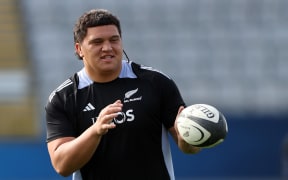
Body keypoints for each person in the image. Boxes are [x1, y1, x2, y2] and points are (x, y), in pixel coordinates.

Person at [45, 9, 201, 180]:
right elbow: (62, 166)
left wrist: (190, 137)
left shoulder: (156, 83)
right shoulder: (64, 98)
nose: (107, 47)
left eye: (114, 40)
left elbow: (189, 148)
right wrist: (95, 131)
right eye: (97, 42)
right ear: (79, 48)